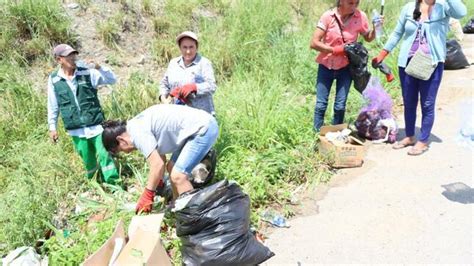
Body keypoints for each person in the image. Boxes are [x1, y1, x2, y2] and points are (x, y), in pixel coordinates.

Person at [372, 0, 466, 155]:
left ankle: (423, 140)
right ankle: (410, 136)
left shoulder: (444, 7)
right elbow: (397, 33)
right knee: (409, 101)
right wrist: (383, 53)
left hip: (431, 64)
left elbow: (461, 12)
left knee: (427, 103)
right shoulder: (408, 8)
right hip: (407, 63)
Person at [101, 104, 219, 213]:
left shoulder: (137, 134)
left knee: (178, 176)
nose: (126, 153)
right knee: (171, 167)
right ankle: (177, 205)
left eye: (121, 150)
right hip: (194, 128)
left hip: (203, 129)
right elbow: (161, 159)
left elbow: (157, 165)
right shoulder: (134, 126)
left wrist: (148, 194)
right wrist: (159, 182)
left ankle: (195, 216)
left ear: (120, 140)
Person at [47, 44, 120, 185]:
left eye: (73, 54)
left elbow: (112, 80)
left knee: (105, 155)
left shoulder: (87, 73)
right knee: (88, 160)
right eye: (68, 55)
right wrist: (52, 127)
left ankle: (114, 185)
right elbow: (53, 105)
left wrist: (98, 67)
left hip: (96, 126)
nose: (73, 58)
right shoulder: (54, 80)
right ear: (59, 60)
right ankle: (95, 185)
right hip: (76, 129)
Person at [310, 0, 383, 131]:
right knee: (321, 104)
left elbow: (368, 38)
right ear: (341, 2)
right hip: (326, 66)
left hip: (346, 68)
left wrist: (376, 27)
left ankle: (336, 134)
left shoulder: (360, 17)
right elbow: (314, 43)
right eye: (350, 3)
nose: (354, 7)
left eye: (357, 3)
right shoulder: (328, 17)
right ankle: (317, 134)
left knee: (340, 105)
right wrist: (334, 50)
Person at [159, 31, 217, 116]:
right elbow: (164, 83)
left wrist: (194, 87)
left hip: (201, 115)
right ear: (180, 48)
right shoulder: (173, 63)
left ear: (196, 47)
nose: (188, 51)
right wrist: (164, 98)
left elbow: (212, 86)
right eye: (185, 47)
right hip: (177, 114)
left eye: (191, 47)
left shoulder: (204, 63)